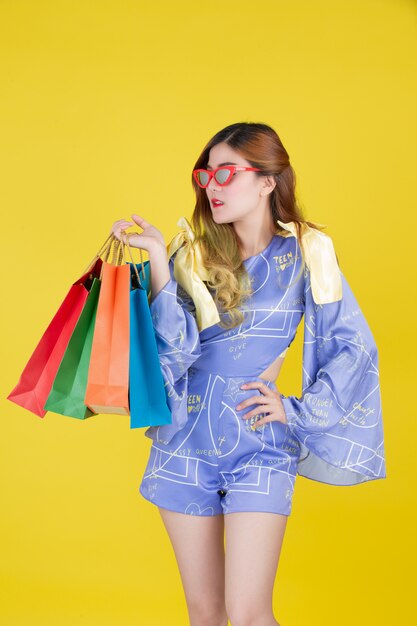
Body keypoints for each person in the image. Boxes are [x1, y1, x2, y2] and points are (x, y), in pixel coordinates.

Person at [110, 122, 386, 626]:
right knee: (207, 614)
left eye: (226, 173)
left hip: (259, 441)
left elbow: (352, 345)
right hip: (182, 441)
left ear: (267, 181)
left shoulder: (308, 251)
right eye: (205, 175)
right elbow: (169, 353)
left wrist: (299, 409)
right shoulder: (189, 252)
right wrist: (155, 260)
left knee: (249, 613)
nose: (211, 186)